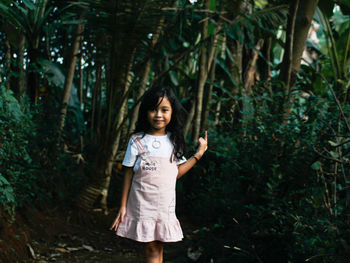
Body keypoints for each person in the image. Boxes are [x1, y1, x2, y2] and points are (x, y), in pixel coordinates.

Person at [110, 87, 208, 263]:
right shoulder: (137, 140)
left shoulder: (173, 141)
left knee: (157, 246)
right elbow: (127, 173)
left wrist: (198, 155)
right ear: (145, 112)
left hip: (164, 204)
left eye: (164, 110)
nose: (158, 115)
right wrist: (123, 206)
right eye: (153, 109)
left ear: (172, 113)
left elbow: (175, 174)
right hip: (142, 202)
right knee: (152, 246)